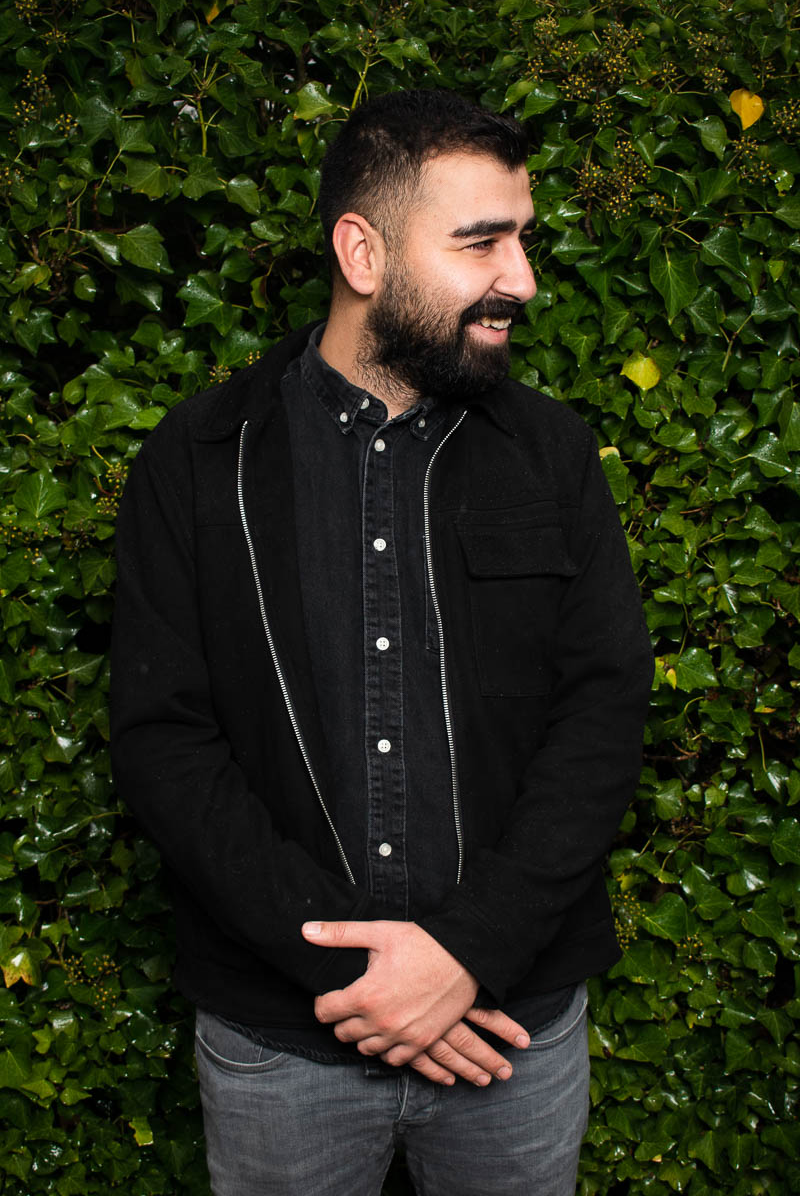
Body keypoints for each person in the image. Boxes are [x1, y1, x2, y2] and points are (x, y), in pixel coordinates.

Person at [110, 89, 653, 1195]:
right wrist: (361, 974)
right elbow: (167, 742)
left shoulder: (550, 453)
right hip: (284, 1043)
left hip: (510, 1033)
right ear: (360, 251)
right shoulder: (199, 460)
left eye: (522, 238)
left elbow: (599, 714)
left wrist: (466, 955)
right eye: (479, 242)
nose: (522, 279)